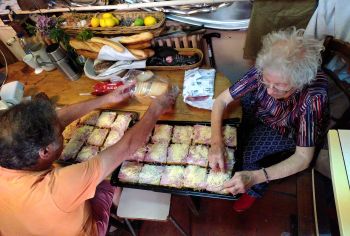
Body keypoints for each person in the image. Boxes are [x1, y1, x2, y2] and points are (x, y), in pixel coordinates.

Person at [0, 84, 176, 236]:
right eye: (59, 134)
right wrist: (156, 109)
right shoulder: (55, 188)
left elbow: (57, 120)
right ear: (44, 151)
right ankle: (119, 211)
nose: (61, 127)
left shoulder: (9, 152)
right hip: (85, 230)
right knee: (117, 171)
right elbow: (127, 146)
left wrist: (106, 99)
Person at [209, 27, 328, 212]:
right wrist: (215, 142)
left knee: (249, 156)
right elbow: (221, 100)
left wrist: (255, 177)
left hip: (286, 129)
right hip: (261, 109)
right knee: (232, 129)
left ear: (300, 82)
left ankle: (254, 190)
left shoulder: (313, 97)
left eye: (280, 87)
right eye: (266, 82)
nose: (271, 91)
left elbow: (303, 158)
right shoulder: (266, 69)